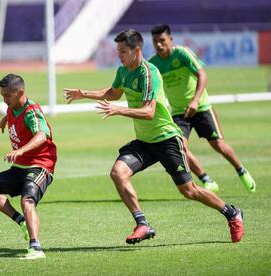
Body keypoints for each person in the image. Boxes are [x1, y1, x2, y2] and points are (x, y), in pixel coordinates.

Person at [64, 29, 244, 244]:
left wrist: (118, 110)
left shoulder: (149, 73)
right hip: (145, 142)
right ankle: (142, 223)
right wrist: (84, 93)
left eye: (123, 51)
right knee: (118, 173)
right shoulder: (123, 71)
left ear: (136, 50)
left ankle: (231, 213)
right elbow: (114, 92)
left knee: (189, 191)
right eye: (117, 51)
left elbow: (148, 112)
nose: (119, 55)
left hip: (167, 139)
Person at [149, 24, 256, 193]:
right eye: (155, 41)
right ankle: (207, 180)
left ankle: (241, 170)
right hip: (179, 112)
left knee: (217, 144)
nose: (159, 45)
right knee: (179, 147)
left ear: (170, 39)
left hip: (201, 107)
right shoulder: (153, 64)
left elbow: (202, 75)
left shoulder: (182, 54)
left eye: (162, 40)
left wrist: (195, 101)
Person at [0, 74, 57, 259]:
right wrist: (4, 120)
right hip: (20, 167)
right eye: (2, 95)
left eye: (8, 96)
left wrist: (20, 151)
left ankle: (36, 248)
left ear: (20, 92)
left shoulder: (31, 112)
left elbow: (41, 135)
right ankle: (20, 220)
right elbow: (12, 113)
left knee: (27, 201)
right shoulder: (12, 107)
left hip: (40, 165)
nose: (4, 100)